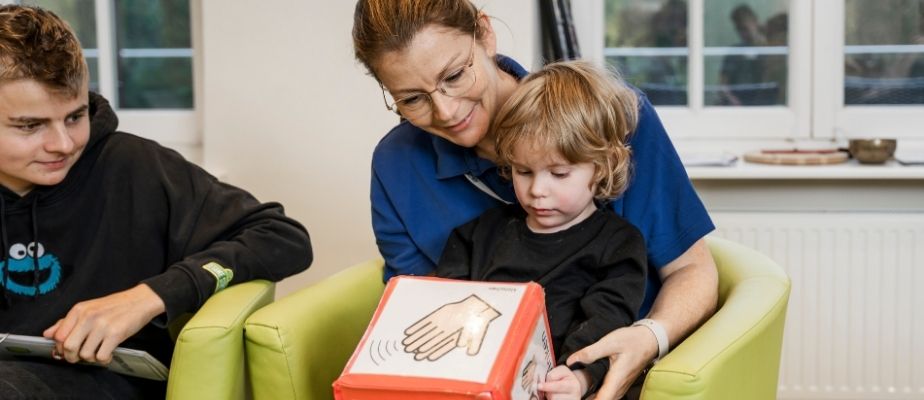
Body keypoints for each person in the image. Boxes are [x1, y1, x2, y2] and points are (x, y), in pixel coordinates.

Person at [352, 1, 718, 398]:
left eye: (454, 76)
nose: (445, 111)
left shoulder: (610, 115)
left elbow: (691, 270)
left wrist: (647, 339)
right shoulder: (395, 165)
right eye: (412, 99)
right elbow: (420, 308)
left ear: (485, 34)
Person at [0, 5, 312, 399]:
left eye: (75, 117)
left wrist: (150, 297)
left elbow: (282, 238)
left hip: (106, 383)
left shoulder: (133, 166)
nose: (62, 144)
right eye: (31, 126)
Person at [433, 60, 647, 399]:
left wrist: (578, 377)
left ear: (601, 167)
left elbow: (608, 318)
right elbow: (445, 303)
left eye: (559, 174)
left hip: (562, 384)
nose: (537, 190)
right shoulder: (477, 234)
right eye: (524, 172)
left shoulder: (618, 243)